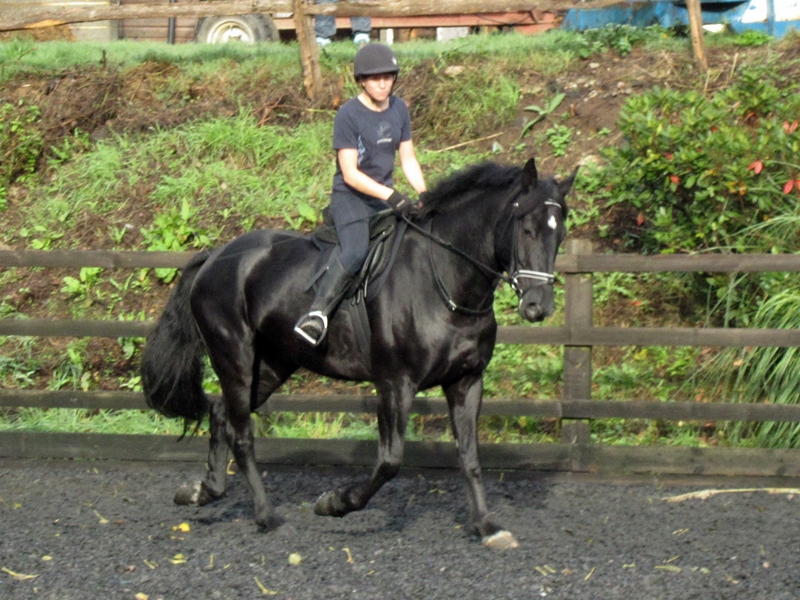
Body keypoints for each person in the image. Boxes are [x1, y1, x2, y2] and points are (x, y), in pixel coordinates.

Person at [295, 43, 427, 346]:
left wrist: (423, 192)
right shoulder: (348, 114)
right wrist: (391, 196)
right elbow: (350, 173)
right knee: (355, 251)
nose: (383, 84)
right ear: (362, 81)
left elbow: (408, 159)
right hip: (351, 197)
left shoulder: (399, 109)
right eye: (375, 78)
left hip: (383, 196)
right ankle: (317, 313)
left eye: (388, 77)